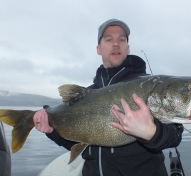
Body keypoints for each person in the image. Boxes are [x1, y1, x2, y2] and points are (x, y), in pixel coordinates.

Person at [33, 19, 183, 176]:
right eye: (109, 39)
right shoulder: (86, 95)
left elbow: (174, 136)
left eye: (122, 39)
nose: (116, 43)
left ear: (128, 47)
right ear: (99, 49)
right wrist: (51, 131)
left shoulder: (150, 87)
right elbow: (74, 143)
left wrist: (151, 133)